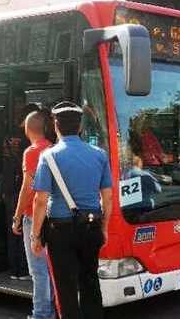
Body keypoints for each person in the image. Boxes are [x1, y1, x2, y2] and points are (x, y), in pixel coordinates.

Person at [31, 101, 113, 319]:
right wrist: (104, 227)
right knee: (90, 282)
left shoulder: (48, 157)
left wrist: (35, 235)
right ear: (80, 127)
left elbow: (40, 200)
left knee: (65, 288)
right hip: (91, 226)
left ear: (55, 126)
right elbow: (108, 196)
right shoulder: (99, 155)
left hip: (60, 231)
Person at [12, 110, 54, 319]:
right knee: (49, 269)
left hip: (33, 215)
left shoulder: (31, 152)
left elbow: (28, 189)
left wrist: (17, 216)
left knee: (38, 271)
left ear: (28, 129)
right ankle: (51, 311)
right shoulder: (55, 148)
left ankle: (41, 315)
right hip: (53, 216)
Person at [1, 102, 39, 280]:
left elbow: (5, 163)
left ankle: (13, 269)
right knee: (23, 229)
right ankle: (23, 269)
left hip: (8, 186)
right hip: (22, 188)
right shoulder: (29, 141)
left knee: (12, 231)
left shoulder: (8, 136)